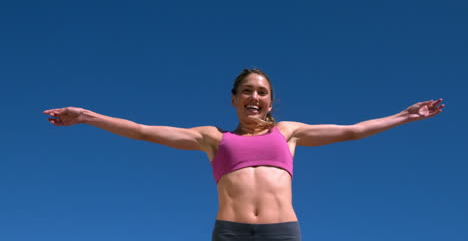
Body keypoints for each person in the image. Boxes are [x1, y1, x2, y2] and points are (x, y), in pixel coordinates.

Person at [43, 68, 444, 241]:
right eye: (247, 91)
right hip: (230, 232)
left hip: (281, 232)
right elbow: (145, 131)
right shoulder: (212, 137)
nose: (255, 96)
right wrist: (88, 116)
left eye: (262, 92)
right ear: (235, 99)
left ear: (271, 101)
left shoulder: (289, 133)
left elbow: (353, 131)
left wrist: (405, 116)